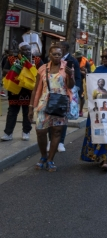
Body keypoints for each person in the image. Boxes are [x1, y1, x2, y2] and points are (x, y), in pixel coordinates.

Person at [28, 44, 74, 172]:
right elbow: (35, 89)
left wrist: (70, 75)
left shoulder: (67, 67)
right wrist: (31, 107)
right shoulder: (42, 68)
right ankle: (43, 156)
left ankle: (50, 160)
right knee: (40, 131)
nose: (57, 56)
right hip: (44, 102)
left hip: (60, 103)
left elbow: (70, 86)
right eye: (54, 54)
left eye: (59, 54)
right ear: (50, 55)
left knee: (57, 131)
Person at [1, 43, 44, 142]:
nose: (27, 52)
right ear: (20, 50)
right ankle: (8, 133)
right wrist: (15, 71)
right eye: (24, 50)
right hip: (15, 90)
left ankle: (26, 132)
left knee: (27, 112)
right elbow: (4, 71)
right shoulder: (12, 59)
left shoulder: (36, 60)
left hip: (29, 91)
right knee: (12, 112)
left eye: (29, 50)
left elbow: (42, 72)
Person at [54, 41, 82, 152]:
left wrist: (76, 90)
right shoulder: (52, 59)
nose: (57, 51)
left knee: (63, 117)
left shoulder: (73, 60)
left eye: (59, 47)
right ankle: (51, 140)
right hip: (54, 92)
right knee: (52, 116)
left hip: (67, 92)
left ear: (65, 48)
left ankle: (61, 141)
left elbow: (78, 77)